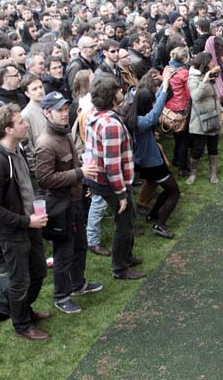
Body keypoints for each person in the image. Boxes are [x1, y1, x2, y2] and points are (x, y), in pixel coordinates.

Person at [0, 103, 50, 341]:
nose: (26, 123)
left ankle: (24, 311)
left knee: (39, 272)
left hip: (29, 224)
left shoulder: (17, 150)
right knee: (19, 281)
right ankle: (22, 325)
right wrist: (25, 220)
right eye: (21, 122)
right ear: (8, 130)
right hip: (13, 232)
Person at [35, 91, 102, 314]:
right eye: (59, 110)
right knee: (63, 254)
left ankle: (78, 284)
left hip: (74, 201)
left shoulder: (63, 134)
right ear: (47, 113)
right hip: (60, 206)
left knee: (81, 246)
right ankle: (61, 296)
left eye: (65, 109)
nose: (65, 114)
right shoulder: (45, 143)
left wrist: (82, 178)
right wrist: (78, 173)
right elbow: (44, 179)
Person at [85, 73, 145, 280]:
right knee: (123, 224)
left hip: (103, 180)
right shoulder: (110, 124)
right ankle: (120, 268)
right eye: (119, 90)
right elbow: (112, 165)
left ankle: (126, 257)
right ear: (112, 96)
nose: (122, 92)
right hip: (112, 183)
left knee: (129, 219)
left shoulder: (96, 115)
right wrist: (120, 193)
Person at [124, 67, 180, 239]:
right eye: (151, 103)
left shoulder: (132, 115)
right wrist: (164, 86)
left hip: (144, 162)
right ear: (146, 105)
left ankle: (153, 214)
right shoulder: (141, 122)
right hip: (152, 163)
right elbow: (155, 113)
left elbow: (152, 102)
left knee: (162, 187)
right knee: (174, 192)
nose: (153, 104)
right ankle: (159, 224)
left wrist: (164, 82)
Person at [187, 52, 223, 185]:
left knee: (213, 147)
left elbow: (215, 97)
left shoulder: (210, 75)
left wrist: (221, 113)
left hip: (213, 116)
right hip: (200, 120)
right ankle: (193, 173)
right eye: (210, 62)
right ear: (204, 64)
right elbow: (195, 97)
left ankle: (213, 173)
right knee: (198, 148)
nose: (213, 64)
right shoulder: (193, 78)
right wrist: (204, 81)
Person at [165, 46, 191, 177]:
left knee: (176, 136)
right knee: (183, 139)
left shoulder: (167, 70)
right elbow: (188, 92)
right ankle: (183, 167)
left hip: (169, 108)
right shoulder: (184, 73)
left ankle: (176, 159)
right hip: (181, 108)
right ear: (184, 58)